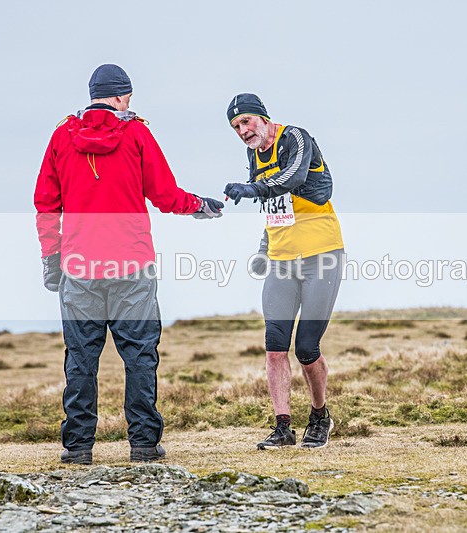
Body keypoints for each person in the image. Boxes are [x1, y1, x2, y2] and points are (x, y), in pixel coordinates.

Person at [34, 64, 223, 465]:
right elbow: (166, 194)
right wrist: (200, 206)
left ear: (92, 95)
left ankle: (78, 447)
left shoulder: (61, 137)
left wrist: (52, 258)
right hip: (132, 267)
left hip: (79, 267)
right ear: (121, 96)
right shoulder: (136, 133)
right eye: (129, 97)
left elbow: (46, 205)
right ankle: (143, 444)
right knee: (140, 355)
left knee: (81, 357)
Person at [224, 94, 344, 450]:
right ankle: (282, 427)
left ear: (263, 117)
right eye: (235, 127)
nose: (242, 131)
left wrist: (254, 187)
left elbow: (291, 178)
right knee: (275, 346)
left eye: (246, 122)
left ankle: (320, 416)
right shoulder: (254, 154)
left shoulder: (295, 138)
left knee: (307, 347)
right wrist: (264, 249)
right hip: (281, 260)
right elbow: (274, 207)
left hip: (322, 255)